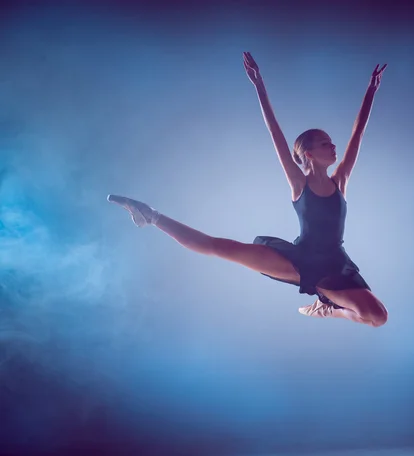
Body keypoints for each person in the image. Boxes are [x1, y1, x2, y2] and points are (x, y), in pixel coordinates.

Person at [108, 52, 388, 327]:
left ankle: (326, 309)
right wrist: (260, 87)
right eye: (326, 143)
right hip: (300, 259)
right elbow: (274, 132)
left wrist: (371, 91)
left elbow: (358, 134)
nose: (334, 147)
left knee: (378, 317)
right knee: (218, 246)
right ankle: (151, 216)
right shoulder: (299, 183)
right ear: (309, 154)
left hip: (336, 262)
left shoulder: (339, 181)